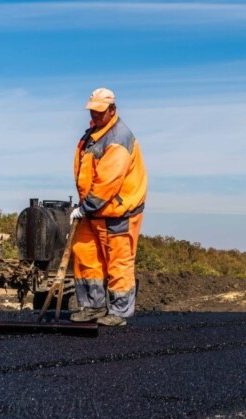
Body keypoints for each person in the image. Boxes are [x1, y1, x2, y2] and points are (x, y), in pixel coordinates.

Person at [69, 88, 148, 326]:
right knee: (85, 254)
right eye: (92, 110)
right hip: (93, 210)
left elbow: (108, 182)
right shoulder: (93, 134)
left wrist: (85, 207)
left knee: (118, 262)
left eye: (100, 111)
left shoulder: (118, 139)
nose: (95, 115)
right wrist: (87, 208)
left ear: (112, 110)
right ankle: (92, 306)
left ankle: (119, 312)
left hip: (117, 212)